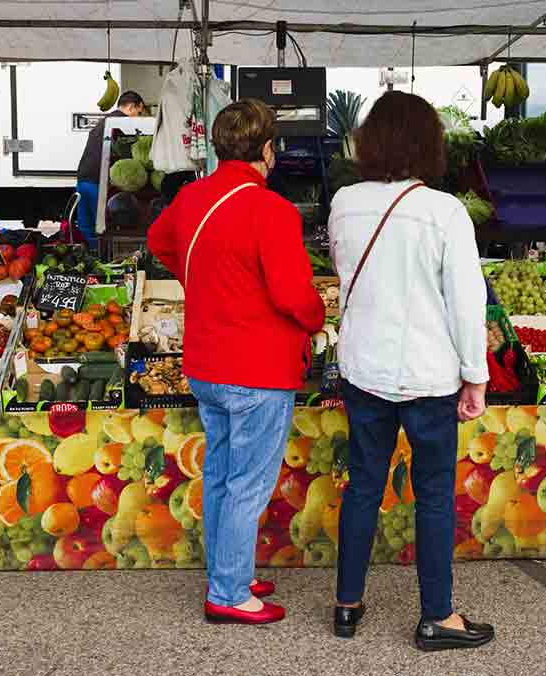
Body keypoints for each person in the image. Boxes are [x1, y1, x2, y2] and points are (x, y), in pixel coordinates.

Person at [326, 91, 494, 651]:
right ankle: (437, 616)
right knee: (434, 494)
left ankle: (347, 605)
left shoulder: (344, 202)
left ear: (370, 140)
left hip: (363, 367)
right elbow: (466, 304)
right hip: (427, 376)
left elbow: (345, 274)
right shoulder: (444, 210)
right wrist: (476, 375)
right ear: (429, 144)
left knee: (363, 488)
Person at [147, 99, 325, 625]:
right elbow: (295, 295)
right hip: (257, 368)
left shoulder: (191, 196)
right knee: (247, 484)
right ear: (267, 149)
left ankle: (231, 571)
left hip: (206, 362)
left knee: (224, 476)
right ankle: (227, 594)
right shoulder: (272, 210)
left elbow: (160, 243)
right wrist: (317, 319)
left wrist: (198, 279)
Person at [75, 90, 146, 246]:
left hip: (84, 177)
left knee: (86, 225)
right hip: (96, 181)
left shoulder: (107, 120)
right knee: (101, 227)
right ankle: (101, 257)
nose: (138, 118)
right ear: (132, 107)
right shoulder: (121, 122)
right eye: (139, 112)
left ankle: (92, 254)